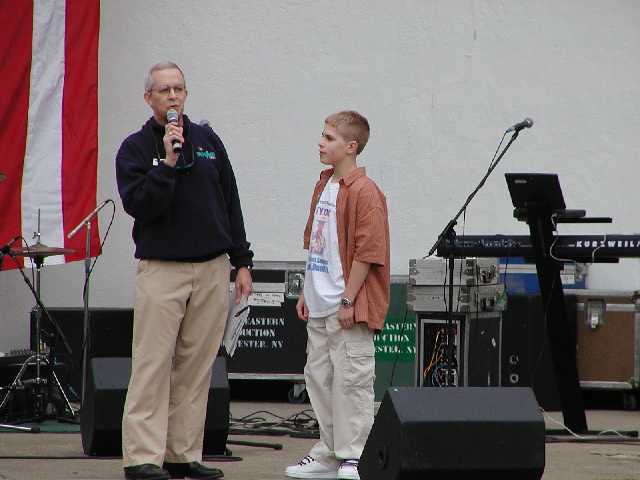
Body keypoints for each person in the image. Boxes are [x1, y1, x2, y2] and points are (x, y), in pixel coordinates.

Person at [116, 61, 253, 480]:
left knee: (196, 367)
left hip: (212, 268)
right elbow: (140, 205)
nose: (172, 96)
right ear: (149, 98)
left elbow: (229, 199)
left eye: (178, 89)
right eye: (163, 90)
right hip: (163, 270)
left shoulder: (208, 140)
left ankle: (182, 453)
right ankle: (142, 457)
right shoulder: (136, 149)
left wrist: (242, 260)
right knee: (153, 364)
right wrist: (167, 165)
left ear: (186, 94)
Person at [286, 111, 390, 480]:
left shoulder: (365, 191)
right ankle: (328, 452)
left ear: (351, 146)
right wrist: (305, 290)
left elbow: (368, 251)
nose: (321, 142)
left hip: (346, 304)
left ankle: (354, 455)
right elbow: (317, 244)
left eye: (329, 138)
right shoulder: (324, 184)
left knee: (352, 380)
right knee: (320, 379)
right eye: (322, 135)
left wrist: (349, 299)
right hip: (318, 302)